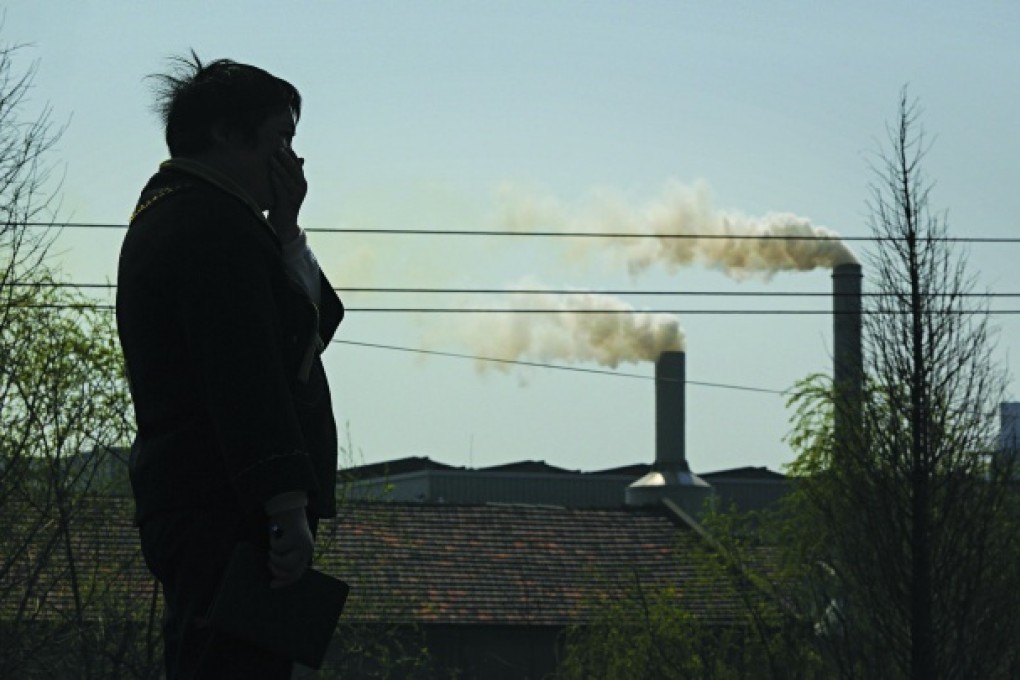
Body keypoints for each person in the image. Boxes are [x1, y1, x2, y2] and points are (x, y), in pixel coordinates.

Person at [116, 53, 344, 679]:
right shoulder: (209, 225)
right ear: (224, 133)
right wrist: (284, 502)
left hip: (208, 502)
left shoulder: (191, 213)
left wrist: (288, 226)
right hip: (227, 508)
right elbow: (246, 377)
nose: (291, 161)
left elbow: (312, 322)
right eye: (280, 139)